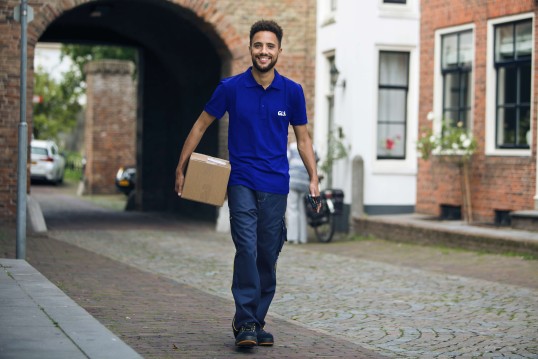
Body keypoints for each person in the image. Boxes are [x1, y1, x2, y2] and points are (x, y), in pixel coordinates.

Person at [175, 19, 320, 348]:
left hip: (276, 185)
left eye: (270, 46)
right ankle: (245, 324)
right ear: (250, 49)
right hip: (240, 180)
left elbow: (304, 140)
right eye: (258, 45)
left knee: (268, 254)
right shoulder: (231, 88)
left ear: (279, 50)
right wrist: (182, 165)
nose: (264, 51)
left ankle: (256, 319)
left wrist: (314, 178)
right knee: (246, 248)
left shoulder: (293, 92)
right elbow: (200, 126)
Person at [286, 141, 316, 244]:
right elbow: (315, 161)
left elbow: (287, 160)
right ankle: (303, 237)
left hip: (293, 180)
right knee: (301, 209)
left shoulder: (293, 147)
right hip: (304, 182)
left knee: (292, 209)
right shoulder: (313, 147)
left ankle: (293, 237)